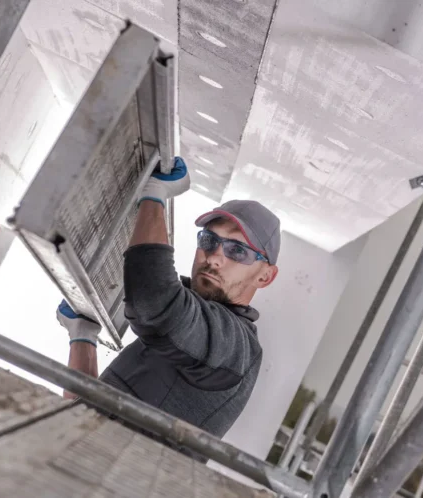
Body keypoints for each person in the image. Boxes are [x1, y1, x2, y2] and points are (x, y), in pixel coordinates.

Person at [56, 157, 280, 437]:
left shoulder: (237, 349)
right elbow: (83, 413)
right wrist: (83, 336)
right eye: (209, 241)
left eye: (238, 251)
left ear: (265, 277)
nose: (215, 257)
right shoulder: (187, 329)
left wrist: (154, 194)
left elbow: (155, 303)